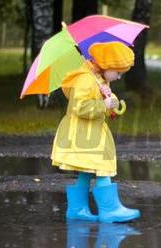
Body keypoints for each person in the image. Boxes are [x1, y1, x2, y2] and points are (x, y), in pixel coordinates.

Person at [51, 41, 140, 223]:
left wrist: (111, 102)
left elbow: (105, 106)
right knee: (101, 167)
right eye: (118, 72)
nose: (119, 77)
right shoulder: (85, 79)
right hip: (84, 134)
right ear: (107, 66)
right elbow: (79, 107)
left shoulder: (99, 79)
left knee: (87, 170)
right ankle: (110, 210)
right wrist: (102, 104)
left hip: (92, 132)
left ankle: (77, 209)